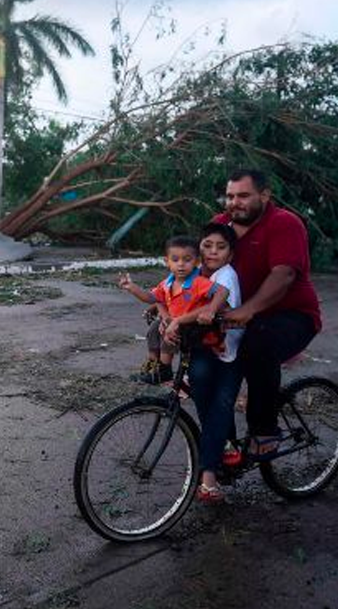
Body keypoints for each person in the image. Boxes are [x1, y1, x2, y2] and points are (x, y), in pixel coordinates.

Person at [211, 169, 322, 466]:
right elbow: (198, 268)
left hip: (292, 315)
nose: (235, 202)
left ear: (264, 195)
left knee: (256, 342)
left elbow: (283, 275)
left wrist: (247, 310)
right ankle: (226, 446)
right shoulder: (219, 226)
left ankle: (265, 431)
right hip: (237, 315)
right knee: (208, 363)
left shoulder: (284, 223)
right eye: (231, 196)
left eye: (243, 195)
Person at [163, 224, 244, 502]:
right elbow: (170, 295)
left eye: (220, 247)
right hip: (203, 348)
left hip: (228, 353)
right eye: (207, 245)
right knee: (204, 402)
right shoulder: (194, 272)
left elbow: (213, 303)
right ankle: (226, 445)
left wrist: (185, 317)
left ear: (230, 254)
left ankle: (209, 480)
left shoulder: (226, 275)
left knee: (218, 407)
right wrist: (160, 310)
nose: (212, 251)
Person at [118, 235, 219, 384]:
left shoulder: (198, 282)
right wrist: (132, 288)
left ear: (197, 262)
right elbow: (151, 298)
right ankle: (154, 363)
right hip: (174, 321)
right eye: (175, 260)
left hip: (192, 324)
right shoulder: (167, 283)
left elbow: (220, 291)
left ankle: (164, 369)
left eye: (187, 260)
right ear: (167, 262)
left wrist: (212, 308)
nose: (181, 265)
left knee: (169, 334)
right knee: (154, 328)